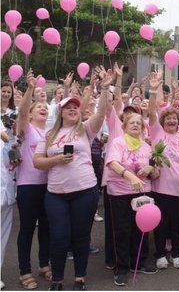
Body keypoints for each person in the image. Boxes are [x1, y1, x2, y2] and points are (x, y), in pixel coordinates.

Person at [33, 70, 113, 291]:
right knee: (59, 236)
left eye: (76, 107)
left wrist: (105, 89)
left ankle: (80, 277)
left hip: (85, 192)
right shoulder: (50, 134)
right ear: (60, 112)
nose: (72, 109)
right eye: (68, 107)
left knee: (80, 236)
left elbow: (102, 112)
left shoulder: (86, 129)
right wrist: (57, 159)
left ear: (80, 112)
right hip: (56, 194)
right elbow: (37, 161)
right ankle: (57, 278)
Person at [105, 112, 160, 286]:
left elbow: (156, 173)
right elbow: (112, 163)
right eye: (132, 123)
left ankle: (140, 262)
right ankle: (121, 268)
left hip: (142, 193)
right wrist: (131, 176)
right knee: (122, 230)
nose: (136, 125)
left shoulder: (147, 146)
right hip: (120, 193)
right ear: (124, 127)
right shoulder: (118, 142)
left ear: (143, 128)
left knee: (140, 229)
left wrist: (151, 168)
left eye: (139, 123)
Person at [147, 72, 179, 270]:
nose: (172, 122)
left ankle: (176, 253)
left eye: (175, 119)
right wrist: (154, 89)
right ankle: (160, 254)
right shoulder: (157, 133)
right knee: (161, 223)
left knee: (177, 224)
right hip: (160, 187)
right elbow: (151, 112)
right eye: (169, 119)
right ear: (163, 122)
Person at [15, 70, 51, 289]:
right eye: (39, 107)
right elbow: (21, 113)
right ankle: (24, 270)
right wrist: (30, 89)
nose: (44, 108)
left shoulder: (49, 133)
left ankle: (44, 264)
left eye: (45, 107)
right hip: (28, 186)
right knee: (27, 228)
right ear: (31, 112)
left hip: (48, 186)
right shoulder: (26, 129)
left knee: (46, 227)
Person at [1, 118, 16, 291]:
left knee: (2, 236)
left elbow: (8, 164)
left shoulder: (3, 144)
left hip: (6, 193)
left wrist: (13, 160)